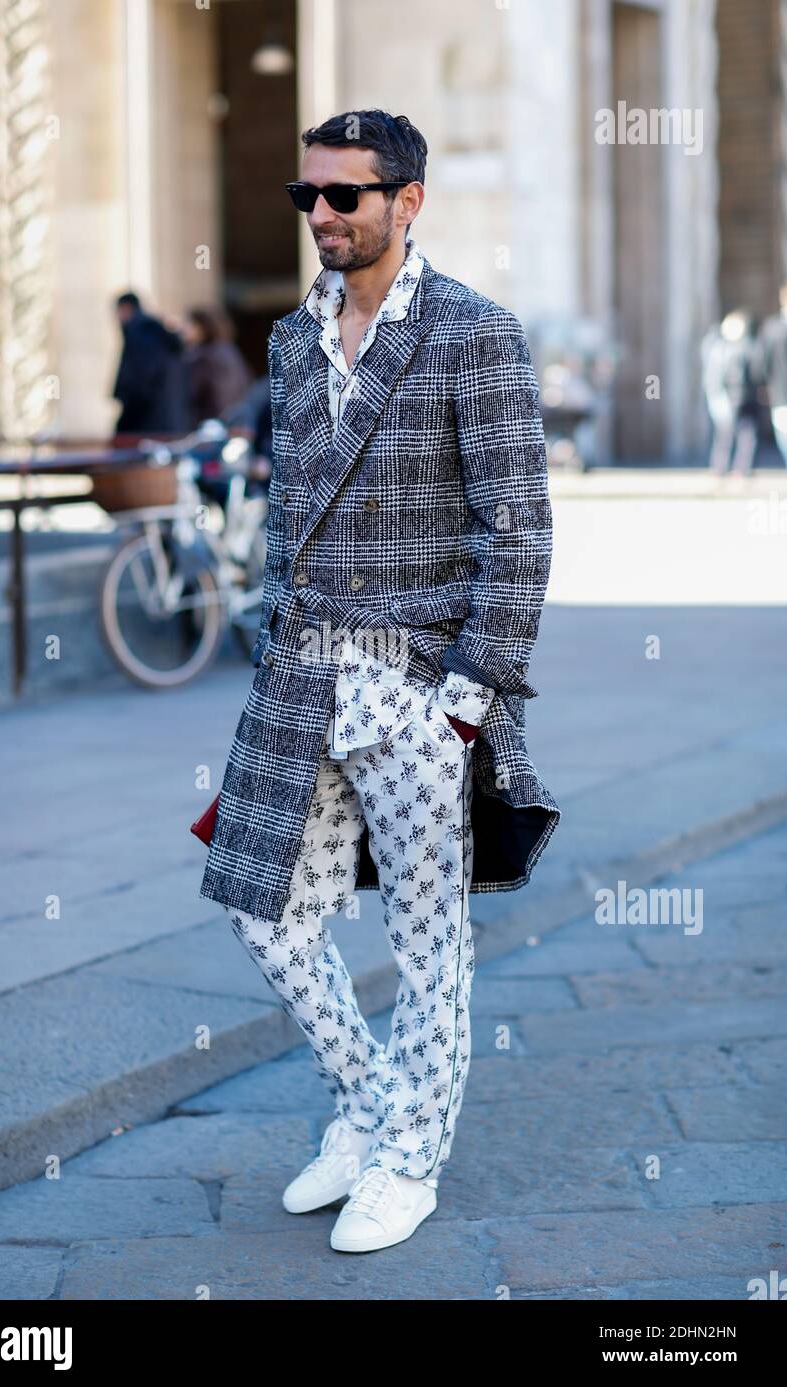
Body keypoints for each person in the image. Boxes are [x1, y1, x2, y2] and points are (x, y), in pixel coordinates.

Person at [198, 109, 560, 1253]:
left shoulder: (473, 333)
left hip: (415, 687)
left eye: (343, 197)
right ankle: (367, 1101)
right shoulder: (291, 339)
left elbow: (519, 528)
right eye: (306, 196)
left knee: (424, 939)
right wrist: (268, 628)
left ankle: (410, 1156)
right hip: (301, 678)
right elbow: (290, 505)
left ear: (406, 202)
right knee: (263, 910)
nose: (320, 217)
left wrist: (467, 696)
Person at [111, 290, 188, 434]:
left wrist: (125, 423)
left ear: (126, 308)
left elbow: (141, 382)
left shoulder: (141, 333)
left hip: (147, 424)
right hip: (165, 422)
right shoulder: (154, 333)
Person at [700, 309, 763, 475]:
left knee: (744, 437)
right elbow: (713, 377)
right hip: (729, 398)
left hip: (743, 398)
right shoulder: (719, 349)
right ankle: (722, 468)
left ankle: (739, 469)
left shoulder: (747, 347)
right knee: (727, 437)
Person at [182, 306, 254, 430]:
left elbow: (188, 394)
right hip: (236, 422)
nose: (184, 329)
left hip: (211, 426)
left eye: (188, 325)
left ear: (202, 327)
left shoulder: (201, 357)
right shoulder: (230, 351)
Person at [760, 284, 787, 466]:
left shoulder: (771, 329)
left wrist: (763, 386)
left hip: (780, 395)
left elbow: (762, 362)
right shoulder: (772, 329)